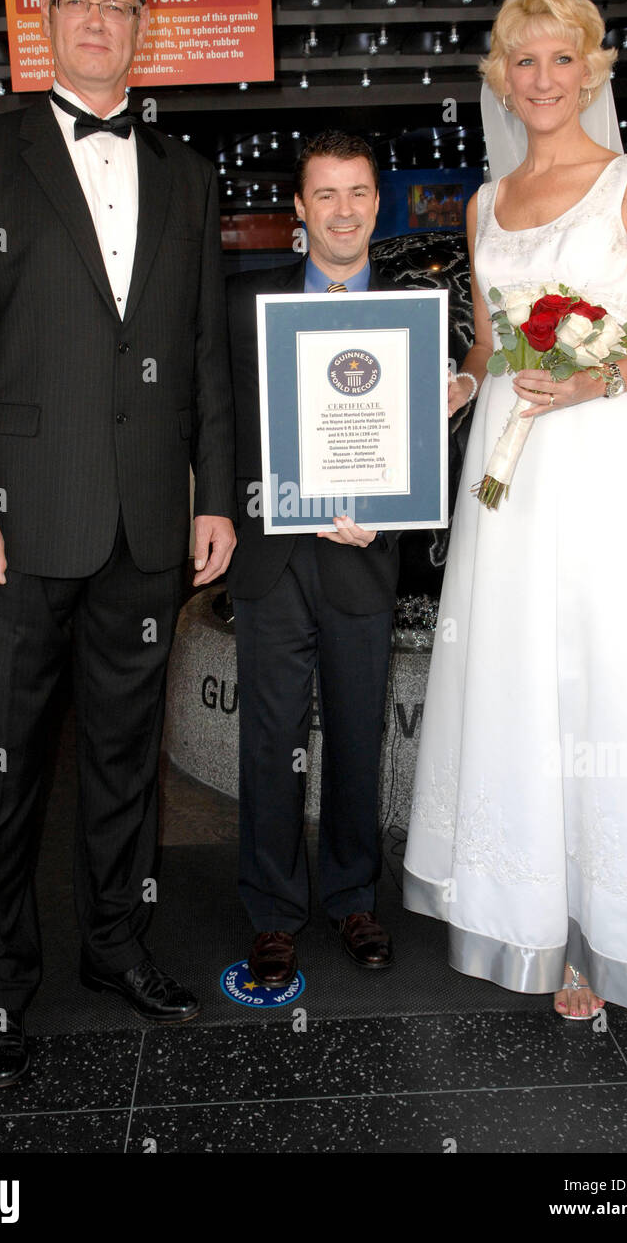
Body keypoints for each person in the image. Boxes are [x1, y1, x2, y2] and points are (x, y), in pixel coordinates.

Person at [0, 0, 235, 1085]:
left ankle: (115, 942)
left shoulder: (189, 178)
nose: (99, 23)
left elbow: (201, 354)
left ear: (142, 27)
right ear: (46, 17)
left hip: (148, 524)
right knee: (2, 763)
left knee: (120, 760)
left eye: (118, 8)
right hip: (14, 518)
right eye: (79, 5)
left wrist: (214, 495)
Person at [404, 0, 627, 1018]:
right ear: (497, 79)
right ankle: (528, 908)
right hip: (509, 470)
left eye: (559, 59)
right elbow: (491, 346)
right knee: (517, 677)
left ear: (587, 73)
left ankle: (612, 922)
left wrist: (597, 376)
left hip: (603, 459)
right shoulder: (481, 203)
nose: (539, 78)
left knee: (610, 676)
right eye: (520, 61)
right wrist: (455, 387)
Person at [227, 131, 400, 987]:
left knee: (359, 736)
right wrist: (213, 514)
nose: (342, 211)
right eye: (324, 195)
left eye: (358, 192)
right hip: (268, 556)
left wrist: (397, 507)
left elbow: (428, 444)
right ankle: (271, 910)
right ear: (298, 208)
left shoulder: (416, 310)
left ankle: (353, 896)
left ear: (378, 201)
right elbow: (218, 422)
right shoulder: (245, 302)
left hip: (363, 559)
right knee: (269, 741)